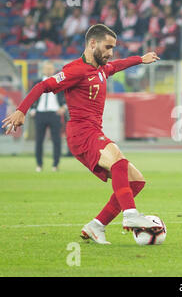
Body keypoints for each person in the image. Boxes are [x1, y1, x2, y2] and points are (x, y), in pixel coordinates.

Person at [2, 24, 160, 245]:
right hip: (81, 133)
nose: (111, 52)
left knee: (136, 181)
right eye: (107, 47)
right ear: (92, 44)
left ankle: (97, 226)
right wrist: (21, 110)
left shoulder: (102, 69)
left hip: (93, 132)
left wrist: (139, 59)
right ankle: (130, 214)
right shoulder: (74, 70)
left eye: (113, 47)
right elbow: (42, 86)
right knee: (118, 159)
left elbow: (116, 65)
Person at [29, 61, 66, 172]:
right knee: (39, 140)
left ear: (54, 70)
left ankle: (55, 164)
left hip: (54, 113)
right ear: (43, 69)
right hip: (40, 113)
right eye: (46, 68)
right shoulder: (37, 82)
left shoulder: (59, 82)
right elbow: (31, 96)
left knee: (56, 140)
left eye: (50, 68)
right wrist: (32, 109)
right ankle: (39, 164)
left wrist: (64, 108)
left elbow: (66, 96)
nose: (48, 70)